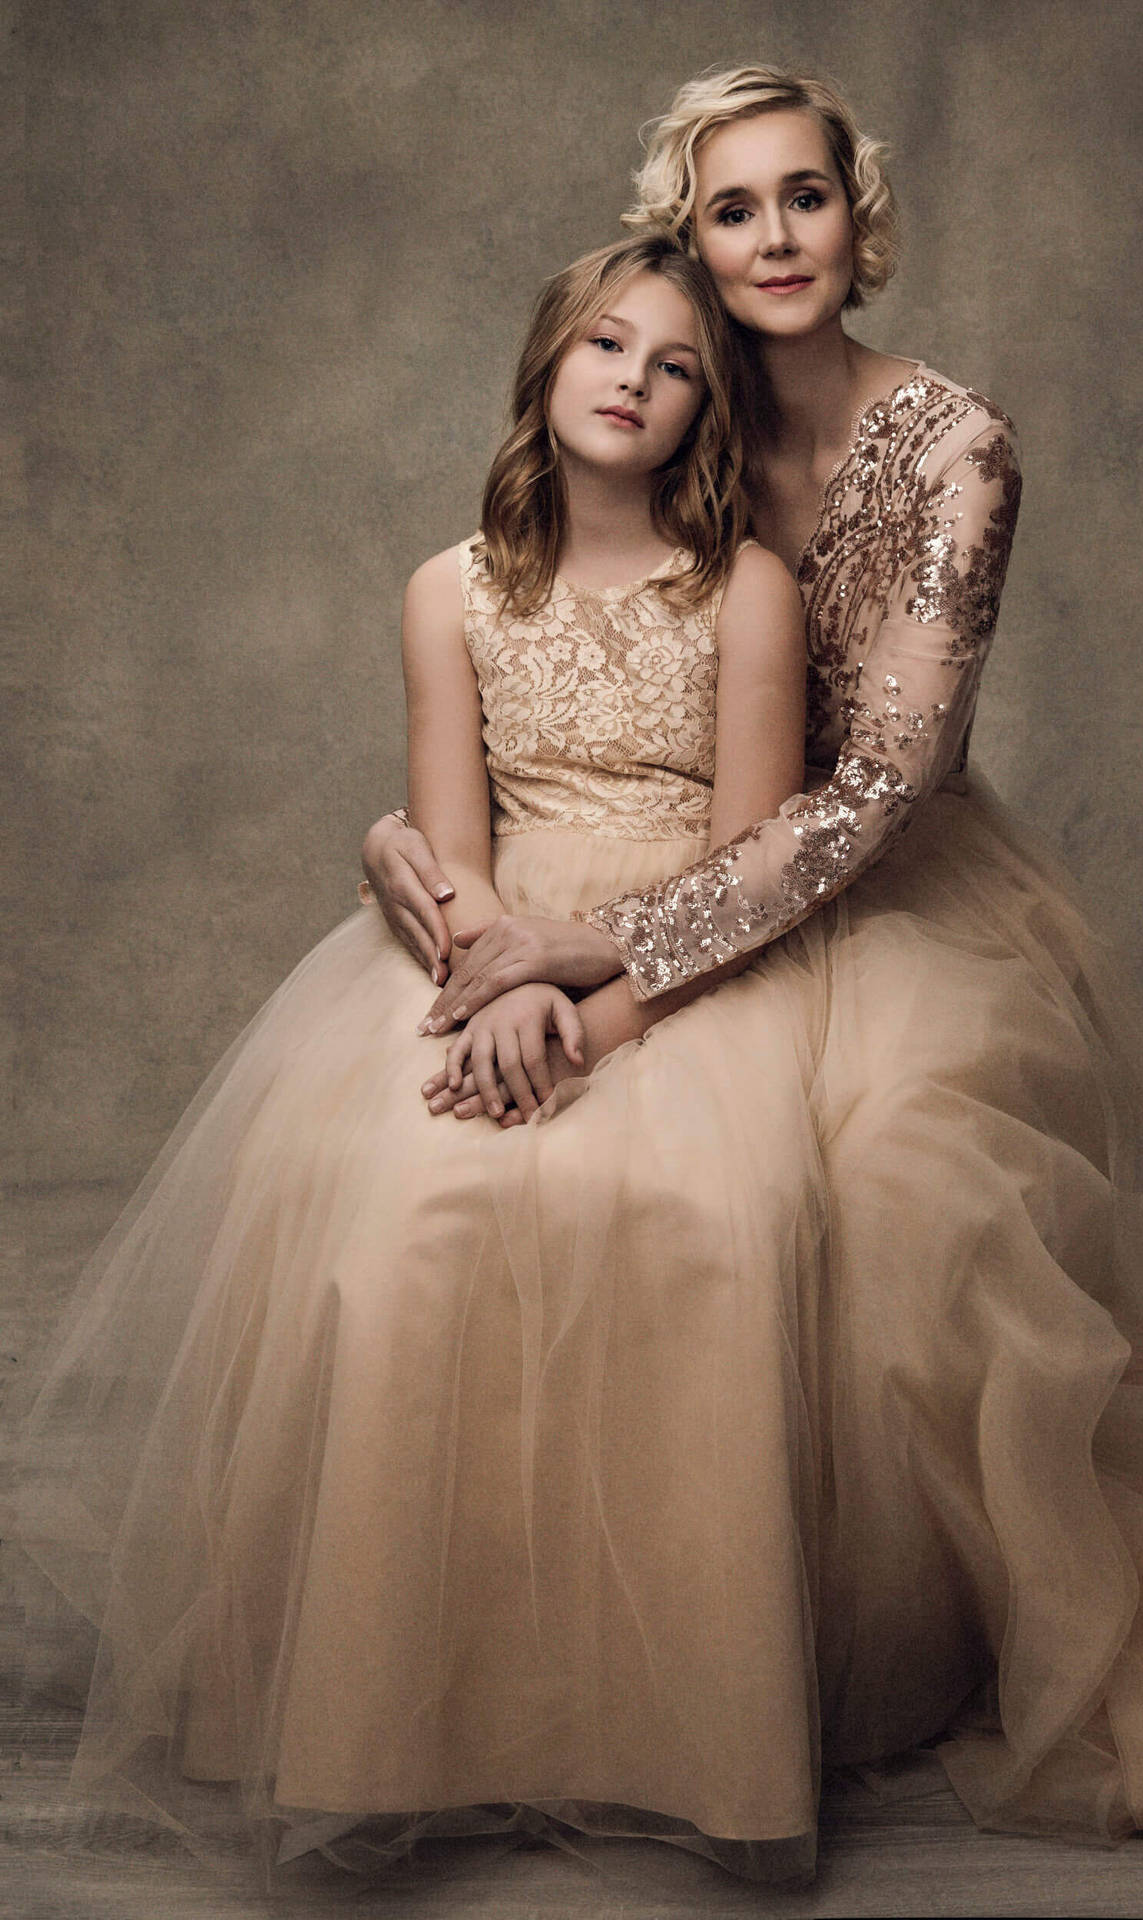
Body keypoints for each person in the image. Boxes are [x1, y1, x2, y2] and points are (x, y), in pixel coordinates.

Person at [362, 66, 1143, 1848]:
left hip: (879, 872)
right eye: (733, 208)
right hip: (660, 853)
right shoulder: (672, 382)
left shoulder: (953, 449)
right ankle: (598, 1627)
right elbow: (537, 620)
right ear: (693, 231)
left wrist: (582, 960)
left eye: (805, 198)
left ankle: (876, 1649)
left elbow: (866, 799)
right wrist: (455, 887)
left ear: (861, 213)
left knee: (902, 1170)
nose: (773, 240)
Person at [14, 231, 848, 1879]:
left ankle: (676, 1730)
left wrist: (588, 1007)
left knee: (706, 1223)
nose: (635, 381)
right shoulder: (449, 587)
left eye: (677, 367)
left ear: (704, 413)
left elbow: (752, 877)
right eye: (608, 346)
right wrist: (497, 986)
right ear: (549, 364)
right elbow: (456, 847)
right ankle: (397, 1724)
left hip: (681, 969)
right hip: (491, 955)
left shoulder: (748, 587)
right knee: (410, 1223)